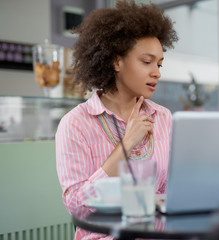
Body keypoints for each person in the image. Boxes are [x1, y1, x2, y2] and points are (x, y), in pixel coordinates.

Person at [55, 1, 178, 239]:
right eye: (146, 61)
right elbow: (78, 206)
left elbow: (173, 191)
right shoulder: (76, 123)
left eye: (159, 64)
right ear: (116, 61)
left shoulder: (163, 117)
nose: (157, 72)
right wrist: (126, 144)